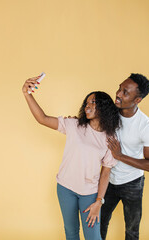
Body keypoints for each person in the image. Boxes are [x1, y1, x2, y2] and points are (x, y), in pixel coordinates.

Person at [22, 75, 121, 240]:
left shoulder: (110, 139)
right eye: (86, 103)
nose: (87, 106)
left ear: (104, 107)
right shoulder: (74, 125)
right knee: (71, 233)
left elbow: (105, 173)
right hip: (65, 188)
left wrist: (99, 201)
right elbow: (43, 119)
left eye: (93, 102)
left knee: (93, 237)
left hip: (89, 193)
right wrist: (27, 94)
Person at [101, 73, 149, 240]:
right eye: (119, 88)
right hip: (108, 179)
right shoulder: (110, 113)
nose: (118, 94)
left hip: (132, 184)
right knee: (99, 222)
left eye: (125, 92)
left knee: (132, 232)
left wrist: (120, 156)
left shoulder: (146, 126)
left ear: (137, 100)